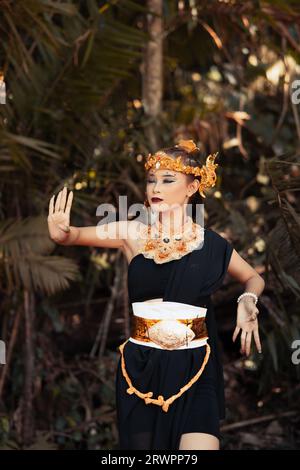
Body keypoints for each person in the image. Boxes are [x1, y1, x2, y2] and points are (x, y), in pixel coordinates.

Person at [47, 139, 265, 450]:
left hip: (195, 367)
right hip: (142, 368)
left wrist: (247, 299)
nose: (155, 187)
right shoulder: (131, 233)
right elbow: (75, 235)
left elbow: (253, 277)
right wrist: (62, 233)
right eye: (151, 180)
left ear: (192, 188)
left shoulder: (212, 244)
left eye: (167, 179)